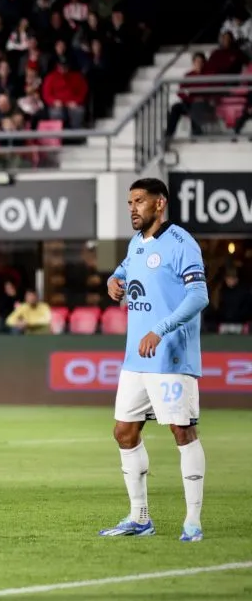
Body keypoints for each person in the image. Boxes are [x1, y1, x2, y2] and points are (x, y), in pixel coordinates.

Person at [101, 178, 209, 542]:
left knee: (182, 432)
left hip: (171, 357)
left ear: (159, 204)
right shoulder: (136, 244)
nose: (132, 208)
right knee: (124, 431)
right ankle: (139, 517)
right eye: (130, 202)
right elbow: (123, 272)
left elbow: (198, 297)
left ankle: (192, 521)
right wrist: (113, 282)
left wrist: (160, 329)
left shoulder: (182, 244)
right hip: (136, 359)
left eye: (140, 201)